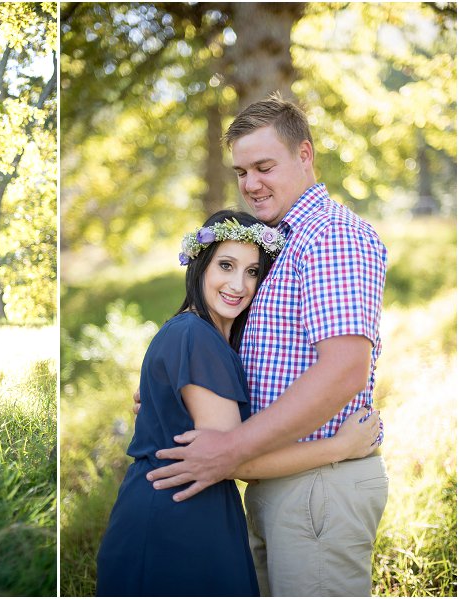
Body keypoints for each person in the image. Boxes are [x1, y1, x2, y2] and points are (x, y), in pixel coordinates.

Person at [142, 93, 389, 596]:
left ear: (304, 155)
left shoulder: (331, 237)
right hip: (274, 479)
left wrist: (231, 448)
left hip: (319, 485)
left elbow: (345, 370)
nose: (251, 184)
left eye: (264, 166)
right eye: (241, 172)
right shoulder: (278, 243)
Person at [97, 210, 381, 597]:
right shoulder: (195, 336)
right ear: (199, 266)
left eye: (252, 272)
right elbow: (234, 458)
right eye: (226, 265)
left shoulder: (213, 340)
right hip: (174, 520)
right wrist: (339, 447)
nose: (238, 284)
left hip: (201, 511)